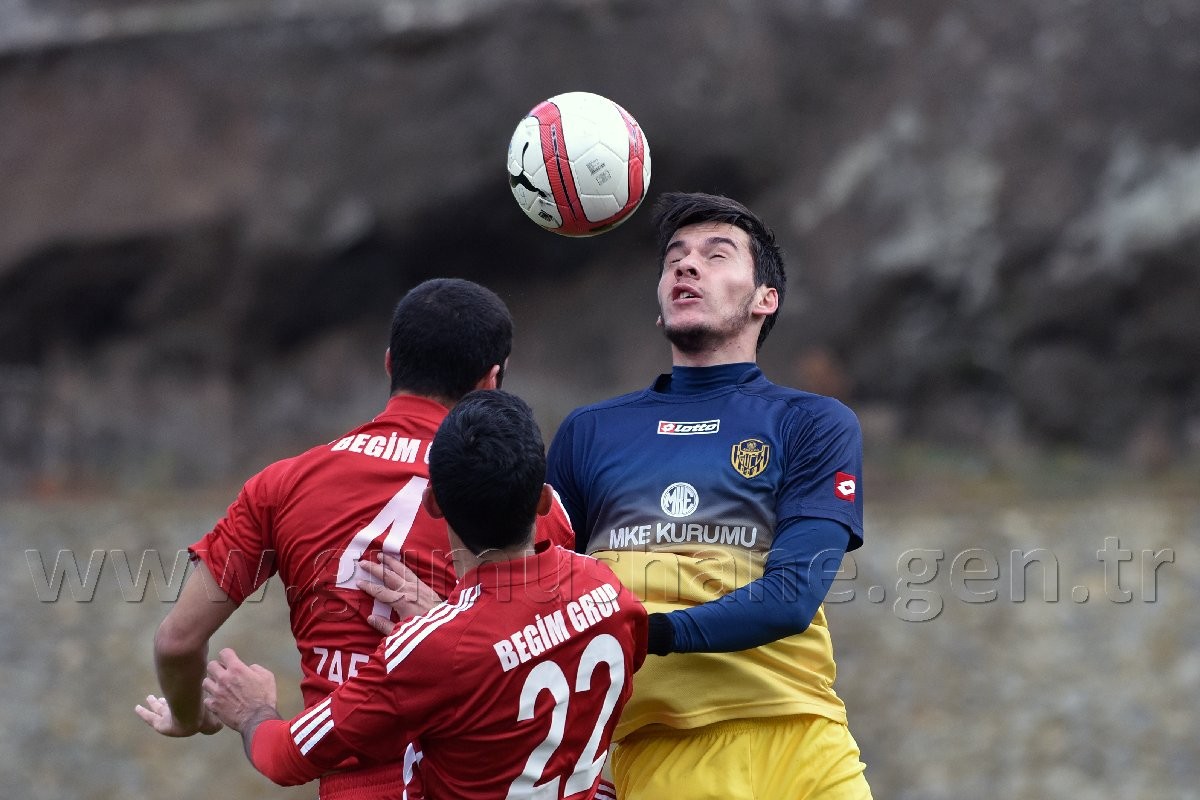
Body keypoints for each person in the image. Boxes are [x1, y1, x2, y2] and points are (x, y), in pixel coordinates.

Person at [135, 278, 575, 799]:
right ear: (491, 382)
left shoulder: (282, 484)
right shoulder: (524, 499)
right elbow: (552, 661)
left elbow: (177, 641)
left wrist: (191, 717)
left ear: (389, 363)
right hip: (475, 782)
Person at [544, 192, 873, 799]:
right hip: (664, 749)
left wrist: (647, 635)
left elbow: (791, 598)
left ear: (764, 299)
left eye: (715, 255)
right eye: (674, 259)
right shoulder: (589, 433)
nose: (685, 267)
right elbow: (532, 594)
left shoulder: (814, 423)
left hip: (808, 742)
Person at [202, 390, 649, 800]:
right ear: (545, 500)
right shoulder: (609, 591)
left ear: (434, 504)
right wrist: (454, 620)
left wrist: (252, 711)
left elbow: (286, 757)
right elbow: (530, 649)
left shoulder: (431, 650)